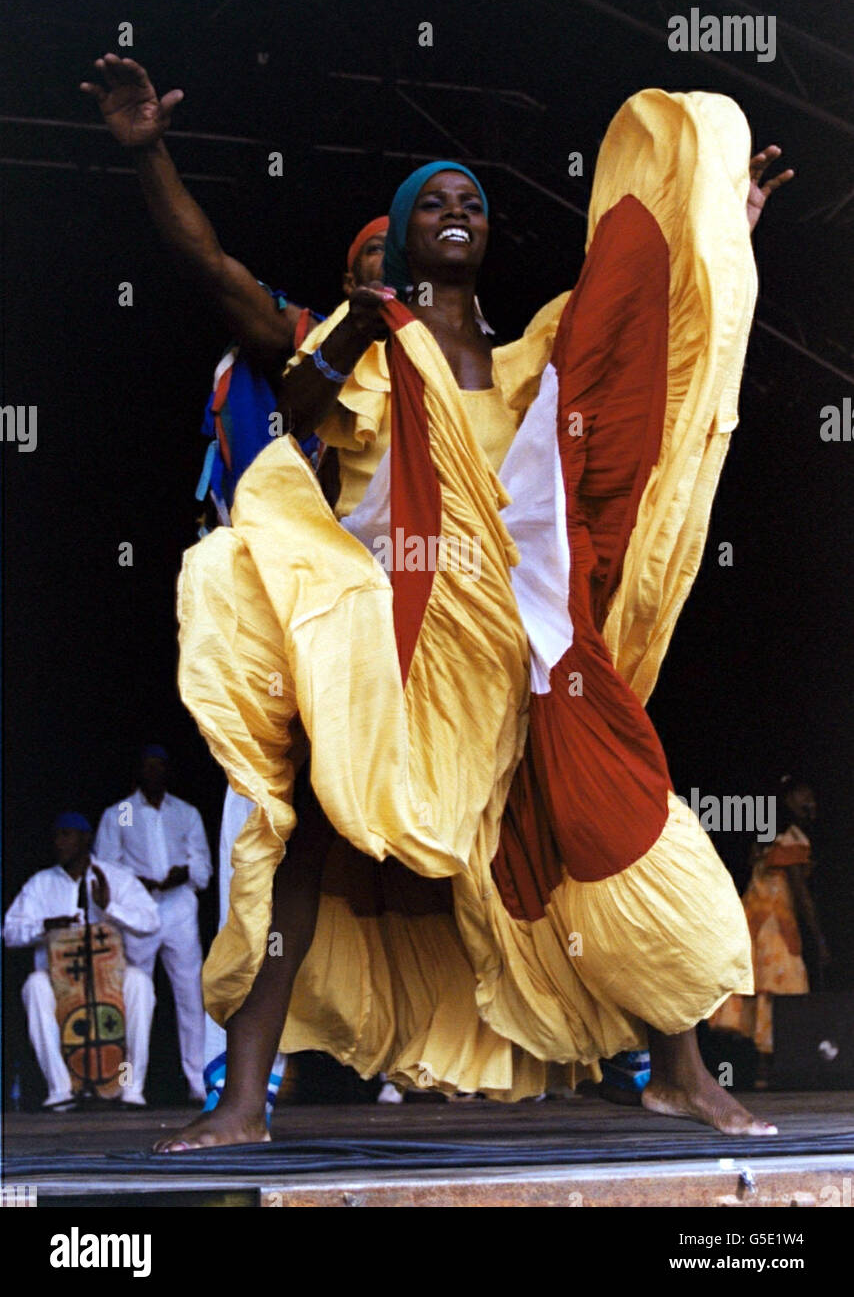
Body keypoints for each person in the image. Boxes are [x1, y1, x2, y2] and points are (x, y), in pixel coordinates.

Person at [165, 88, 791, 1150]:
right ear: (404, 234)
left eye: (471, 200)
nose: (455, 209)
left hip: (517, 647)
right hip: (390, 651)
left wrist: (716, 236)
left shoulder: (533, 359)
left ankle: (678, 1073)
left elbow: (642, 330)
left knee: (605, 815)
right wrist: (152, 159)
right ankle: (238, 1106)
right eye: (430, 202)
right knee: (310, 855)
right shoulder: (361, 345)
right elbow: (295, 394)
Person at [81, 51, 397, 1114]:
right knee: (270, 839)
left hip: (406, 637)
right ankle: (240, 1077)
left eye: (399, 258)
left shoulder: (463, 379)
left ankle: (499, 1042)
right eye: (371, 257)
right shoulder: (297, 344)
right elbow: (206, 262)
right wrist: (152, 152)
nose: (386, 270)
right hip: (288, 630)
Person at [3, 813, 159, 1110]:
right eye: (56, 836)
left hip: (109, 978)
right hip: (61, 981)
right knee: (34, 986)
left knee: (140, 983)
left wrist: (109, 907)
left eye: (67, 835)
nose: (59, 843)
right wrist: (45, 926)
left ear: (86, 839)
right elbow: (9, 932)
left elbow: (151, 920)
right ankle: (61, 1090)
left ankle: (130, 1088)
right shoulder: (41, 884)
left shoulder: (115, 877)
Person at [95, 746, 212, 1101]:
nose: (154, 773)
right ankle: (132, 1084)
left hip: (178, 908)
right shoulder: (126, 812)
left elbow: (204, 870)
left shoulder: (184, 813)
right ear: (138, 772)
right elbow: (106, 867)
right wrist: (136, 880)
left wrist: (184, 873)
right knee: (136, 996)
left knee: (191, 996)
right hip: (138, 912)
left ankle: (198, 1082)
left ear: (168, 772)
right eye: (148, 767)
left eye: (160, 767)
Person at [708, 776, 829, 1086]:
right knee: (781, 990)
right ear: (788, 802)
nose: (811, 804)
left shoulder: (765, 839)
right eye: (805, 797)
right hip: (775, 925)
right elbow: (800, 895)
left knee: (761, 989)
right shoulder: (792, 840)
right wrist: (817, 938)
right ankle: (771, 1069)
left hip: (751, 921)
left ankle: (759, 1071)